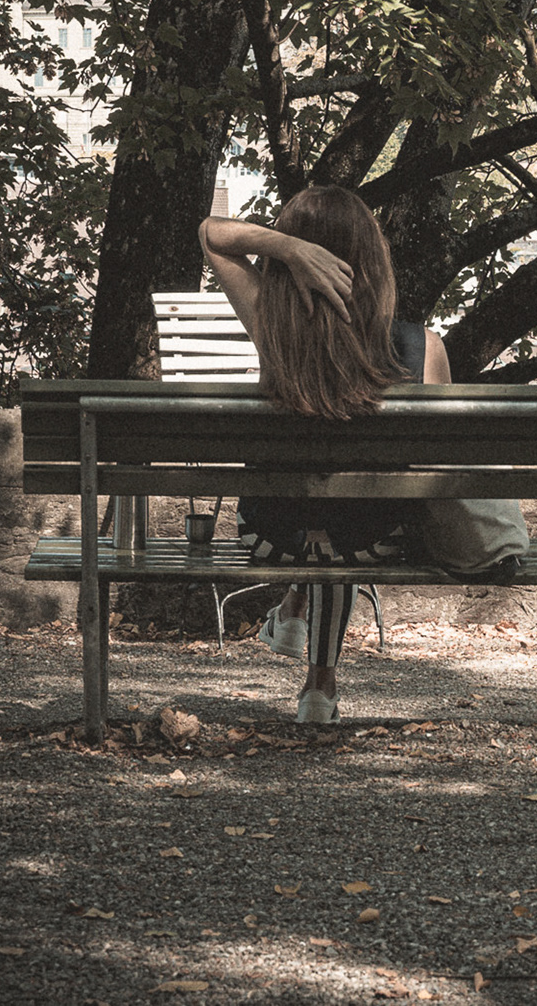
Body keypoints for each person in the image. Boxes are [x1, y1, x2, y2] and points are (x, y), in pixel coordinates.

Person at [198, 186, 454, 724]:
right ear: (374, 259)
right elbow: (439, 460)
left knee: (321, 524)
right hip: (372, 541)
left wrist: (288, 248)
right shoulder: (422, 347)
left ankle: (294, 611)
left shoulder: (271, 326)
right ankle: (319, 685)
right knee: (341, 531)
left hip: (270, 535)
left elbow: (212, 234)